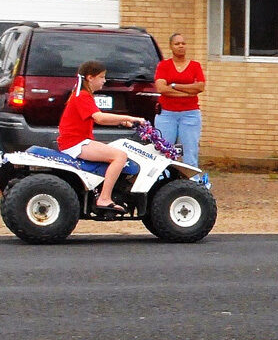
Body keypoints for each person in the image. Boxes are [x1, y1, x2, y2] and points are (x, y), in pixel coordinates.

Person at [59, 60, 147, 213]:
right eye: (102, 77)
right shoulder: (83, 96)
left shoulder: (82, 95)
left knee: (116, 150)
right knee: (120, 156)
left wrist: (124, 122)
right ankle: (104, 198)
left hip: (78, 141)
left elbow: (95, 118)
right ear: (90, 78)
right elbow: (99, 117)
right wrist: (130, 118)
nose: (104, 81)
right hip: (75, 143)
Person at [154, 33, 206, 168]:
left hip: (190, 114)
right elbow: (161, 88)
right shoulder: (164, 65)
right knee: (164, 151)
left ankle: (192, 183)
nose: (181, 46)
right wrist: (188, 92)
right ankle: (162, 181)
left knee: (190, 151)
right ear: (171, 46)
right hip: (166, 114)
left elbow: (200, 87)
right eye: (177, 44)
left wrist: (174, 86)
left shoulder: (195, 66)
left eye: (183, 43)